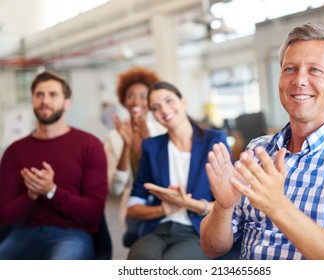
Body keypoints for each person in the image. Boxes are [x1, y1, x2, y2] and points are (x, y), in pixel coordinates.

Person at [200, 23, 324, 260]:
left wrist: (278, 207)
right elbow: (211, 248)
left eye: (315, 70)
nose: (299, 80)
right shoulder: (257, 150)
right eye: (290, 69)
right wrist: (223, 207)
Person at [0, 70, 108, 260]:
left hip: (72, 235)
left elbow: (94, 212)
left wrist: (51, 191)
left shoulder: (90, 145)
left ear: (67, 104)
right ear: (33, 101)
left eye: (53, 95)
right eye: (39, 95)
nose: (45, 100)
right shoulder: (14, 151)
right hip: (24, 233)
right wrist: (31, 195)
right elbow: (4, 215)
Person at [126, 81, 230, 260]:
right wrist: (164, 209)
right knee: (139, 258)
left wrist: (189, 204)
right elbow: (133, 208)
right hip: (158, 229)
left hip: (197, 230)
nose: (164, 111)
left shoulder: (214, 140)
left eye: (169, 101)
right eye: (156, 107)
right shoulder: (151, 147)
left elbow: (230, 203)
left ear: (183, 101)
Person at [103, 67, 166, 228]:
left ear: (151, 101)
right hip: (133, 209)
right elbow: (115, 188)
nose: (136, 101)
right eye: (131, 96)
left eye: (143, 97)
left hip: (164, 201)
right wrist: (126, 145)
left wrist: (147, 138)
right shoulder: (113, 137)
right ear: (123, 100)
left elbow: (165, 173)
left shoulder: (163, 130)